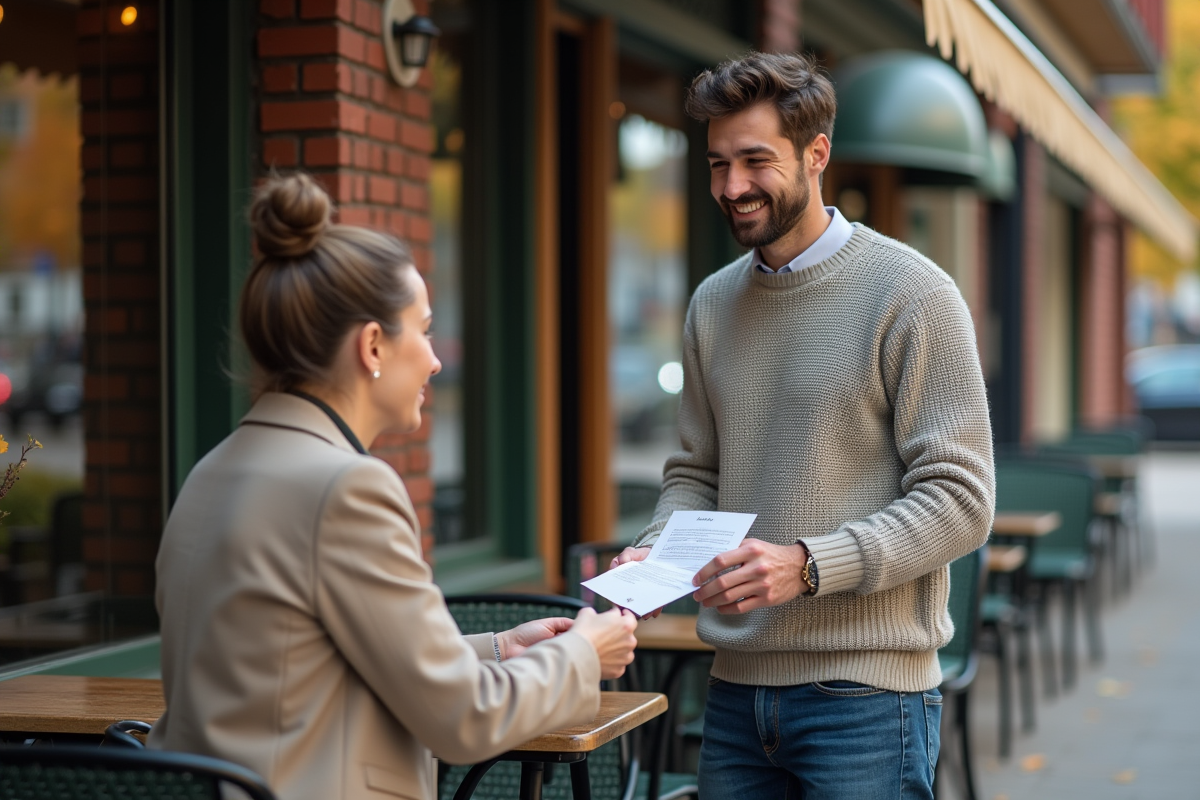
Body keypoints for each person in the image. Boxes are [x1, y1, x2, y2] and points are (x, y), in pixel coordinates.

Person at [150, 172, 638, 800]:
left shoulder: (211, 471)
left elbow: (304, 664)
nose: (435, 359)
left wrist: (496, 649)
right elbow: (464, 719)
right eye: (425, 328)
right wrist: (584, 655)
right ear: (373, 345)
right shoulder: (347, 488)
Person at [613, 52, 995, 798]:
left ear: (816, 154)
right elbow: (697, 471)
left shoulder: (913, 293)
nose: (732, 187)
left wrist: (810, 564)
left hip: (867, 699)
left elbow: (961, 500)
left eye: (756, 160)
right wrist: (654, 552)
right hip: (731, 694)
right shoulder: (711, 305)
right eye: (718, 163)